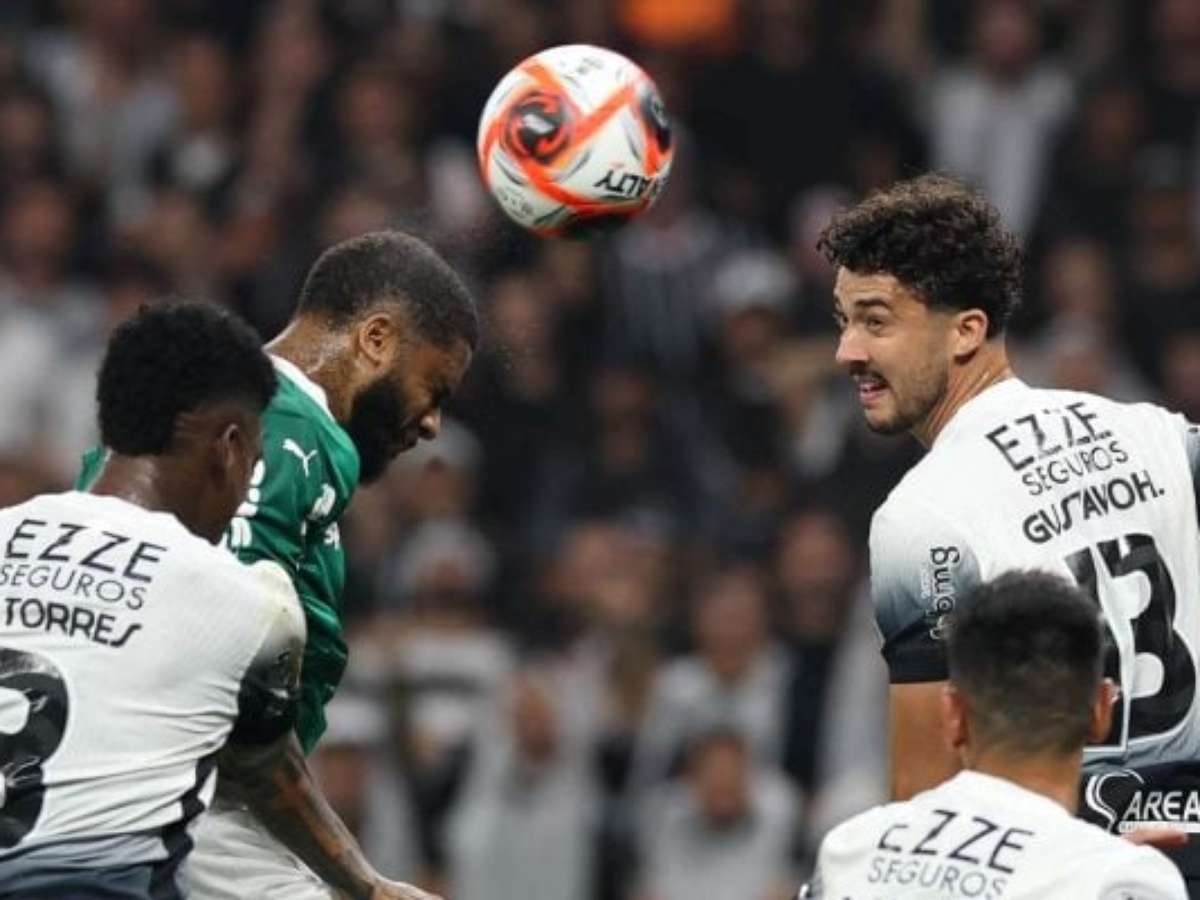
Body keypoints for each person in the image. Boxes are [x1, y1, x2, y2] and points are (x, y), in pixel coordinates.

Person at [819, 174, 1200, 885]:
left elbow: (928, 810)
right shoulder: (1161, 435)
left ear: (966, 330)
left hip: (1057, 875)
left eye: (875, 321)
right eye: (844, 320)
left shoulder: (921, 514)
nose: (847, 351)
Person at [76, 231, 478, 898]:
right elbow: (222, 674)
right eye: (433, 388)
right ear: (376, 339)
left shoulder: (208, 411)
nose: (432, 423)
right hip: (190, 802)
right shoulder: (286, 427)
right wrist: (362, 882)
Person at [0, 302, 434, 900]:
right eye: (254, 457)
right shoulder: (245, 601)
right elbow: (267, 773)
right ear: (229, 448)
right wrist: (369, 886)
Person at [803, 570, 1187, 899]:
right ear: (1102, 709)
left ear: (952, 713)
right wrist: (1095, 866)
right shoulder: (1119, 878)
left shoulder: (851, 848)